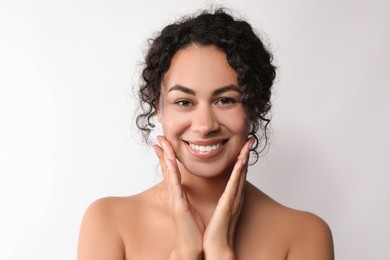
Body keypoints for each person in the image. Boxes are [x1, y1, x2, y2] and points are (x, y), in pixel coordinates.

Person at [77, 8, 334, 260]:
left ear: (254, 106)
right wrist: (185, 252)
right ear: (158, 107)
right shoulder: (108, 223)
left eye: (225, 100)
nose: (204, 125)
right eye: (184, 102)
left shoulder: (304, 234)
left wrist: (221, 251)